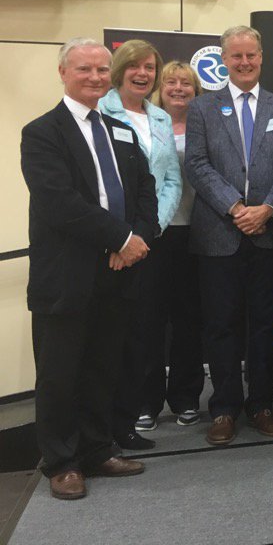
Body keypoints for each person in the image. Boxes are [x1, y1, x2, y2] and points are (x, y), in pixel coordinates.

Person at [21, 38, 158, 500]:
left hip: (118, 271)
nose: (96, 77)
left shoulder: (120, 129)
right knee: (60, 374)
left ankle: (98, 449)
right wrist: (120, 238)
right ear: (63, 72)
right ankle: (61, 462)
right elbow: (59, 203)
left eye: (102, 69)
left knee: (103, 367)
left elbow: (145, 190)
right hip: (66, 275)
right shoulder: (42, 133)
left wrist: (136, 240)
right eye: (84, 69)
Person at [185, 25, 273, 446]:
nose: (245, 62)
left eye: (251, 55)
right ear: (224, 60)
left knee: (265, 324)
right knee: (221, 325)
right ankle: (224, 408)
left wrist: (267, 208)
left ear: (261, 57)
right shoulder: (202, 108)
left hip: (268, 233)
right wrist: (236, 208)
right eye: (236, 56)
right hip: (219, 234)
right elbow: (196, 164)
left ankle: (262, 403)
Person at [98, 39, 182, 450]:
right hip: (111, 244)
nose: (143, 74)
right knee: (116, 335)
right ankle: (106, 423)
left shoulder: (160, 117)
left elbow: (171, 180)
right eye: (135, 66)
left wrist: (148, 232)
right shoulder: (100, 111)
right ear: (119, 69)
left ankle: (132, 415)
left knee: (146, 331)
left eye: (150, 67)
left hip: (151, 239)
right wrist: (123, 236)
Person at [137, 61, 205, 432]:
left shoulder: (205, 126)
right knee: (148, 321)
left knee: (188, 321)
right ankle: (146, 402)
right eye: (171, 82)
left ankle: (186, 397)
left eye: (186, 83)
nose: (179, 88)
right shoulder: (144, 125)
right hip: (153, 235)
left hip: (194, 233)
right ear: (159, 88)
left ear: (196, 90)